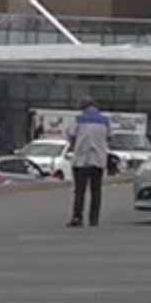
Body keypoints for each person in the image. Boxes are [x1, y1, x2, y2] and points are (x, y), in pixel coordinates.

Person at [66, 98, 111, 228]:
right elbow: (109, 136)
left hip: (81, 159)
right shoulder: (105, 121)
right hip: (98, 159)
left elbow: (71, 135)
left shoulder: (78, 119)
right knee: (96, 191)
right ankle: (94, 219)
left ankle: (77, 217)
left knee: (80, 190)